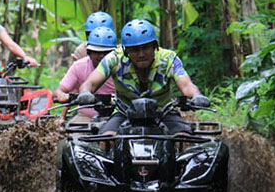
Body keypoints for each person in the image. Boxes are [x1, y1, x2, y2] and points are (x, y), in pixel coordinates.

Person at [77, 18, 210, 136]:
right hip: (125, 112)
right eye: (135, 49)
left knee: (183, 138)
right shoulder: (113, 59)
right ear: (126, 50)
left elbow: (187, 85)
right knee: (107, 138)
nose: (141, 54)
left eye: (146, 48)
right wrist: (85, 93)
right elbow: (90, 83)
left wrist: (196, 96)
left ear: (155, 47)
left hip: (163, 112)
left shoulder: (168, 59)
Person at [55, 26, 117, 121]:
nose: (102, 57)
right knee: (74, 134)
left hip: (117, 115)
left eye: (107, 53)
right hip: (86, 117)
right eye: (97, 52)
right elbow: (60, 90)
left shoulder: (122, 66)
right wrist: (62, 95)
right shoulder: (79, 66)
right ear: (89, 52)